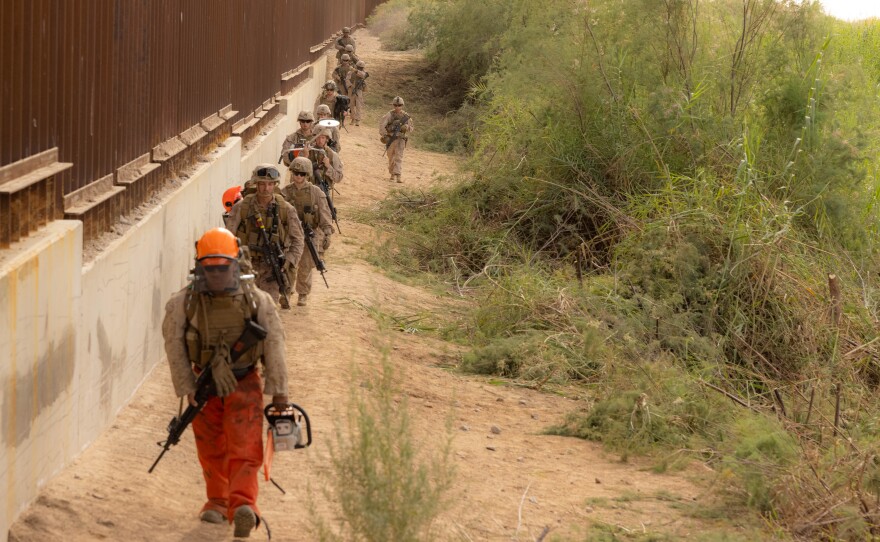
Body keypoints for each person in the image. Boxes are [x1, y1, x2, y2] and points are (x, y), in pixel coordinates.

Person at [161, 227, 290, 538]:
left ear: (235, 263)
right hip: (204, 387)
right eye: (211, 268)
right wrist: (188, 387)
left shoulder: (257, 301)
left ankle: (242, 505)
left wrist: (280, 394)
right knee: (211, 446)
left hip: (243, 380)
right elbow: (174, 344)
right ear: (200, 266)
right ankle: (219, 501)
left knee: (244, 446)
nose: (217, 274)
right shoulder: (183, 303)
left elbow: (274, 345)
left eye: (222, 267)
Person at [225, 164, 304, 309]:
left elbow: (298, 241)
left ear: (275, 185)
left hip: (271, 271)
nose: (266, 188)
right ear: (256, 184)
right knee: (244, 312)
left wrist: (288, 262)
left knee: (267, 313)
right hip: (245, 267)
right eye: (262, 184)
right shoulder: (242, 207)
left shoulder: (286, 209)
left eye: (270, 184)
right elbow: (227, 238)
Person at [281, 157, 334, 306]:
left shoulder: (315, 192)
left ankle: (302, 293)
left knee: (305, 264)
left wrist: (327, 233)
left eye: (302, 174)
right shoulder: (285, 192)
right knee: (289, 263)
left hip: (309, 233)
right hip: (290, 234)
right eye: (296, 173)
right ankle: (287, 290)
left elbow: (324, 213)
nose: (299, 176)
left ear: (308, 175)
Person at [379, 96, 414, 183]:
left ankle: (398, 175)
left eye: (399, 105)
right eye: (395, 105)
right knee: (391, 157)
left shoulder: (406, 116)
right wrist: (384, 135)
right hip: (391, 139)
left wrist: (406, 127)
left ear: (402, 105)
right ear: (393, 105)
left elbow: (411, 128)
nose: (397, 107)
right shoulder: (389, 114)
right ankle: (392, 174)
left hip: (400, 139)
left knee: (399, 157)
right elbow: (382, 125)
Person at [347, 61, 368, 127]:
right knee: (351, 105)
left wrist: (355, 70)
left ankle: (358, 120)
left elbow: (362, 75)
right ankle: (353, 118)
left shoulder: (363, 73)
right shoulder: (350, 72)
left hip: (359, 90)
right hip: (351, 89)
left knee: (359, 105)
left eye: (361, 68)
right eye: (359, 67)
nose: (360, 68)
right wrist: (350, 85)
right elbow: (347, 79)